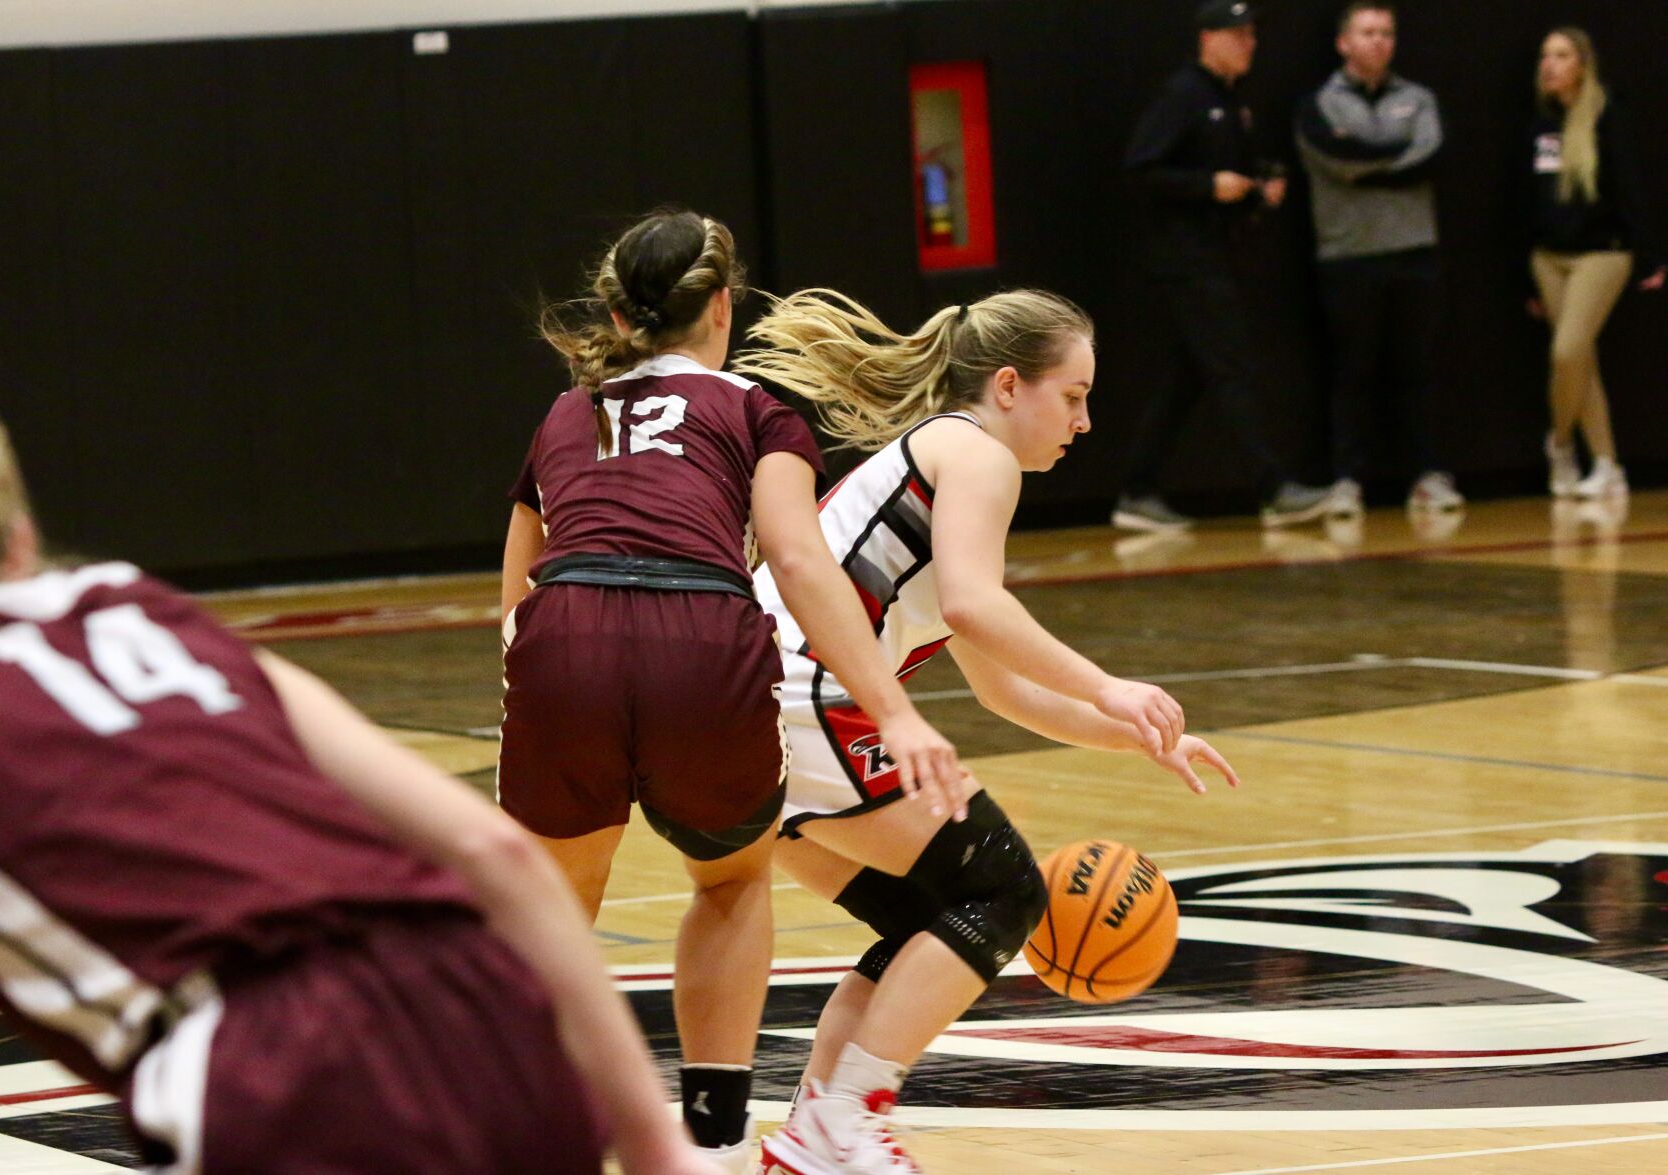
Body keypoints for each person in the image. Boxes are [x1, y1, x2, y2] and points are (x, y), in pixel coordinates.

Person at [0, 373, 723, 1175]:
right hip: (481, 1003)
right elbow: (494, 849)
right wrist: (652, 1144)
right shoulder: (137, 606)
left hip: (276, 1070)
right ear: (14, 525)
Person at [735, 288, 1241, 1174]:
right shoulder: (974, 452)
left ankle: (816, 1137)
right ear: (1008, 385)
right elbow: (975, 602)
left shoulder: (935, 457)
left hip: (747, 712)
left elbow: (1000, 688)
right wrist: (1108, 683)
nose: (1083, 421)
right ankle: (843, 1121)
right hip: (796, 695)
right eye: (1073, 395)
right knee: (1004, 891)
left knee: (927, 920)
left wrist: (1130, 733)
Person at [500, 210, 963, 1173]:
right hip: (702, 638)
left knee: (548, 912)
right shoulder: (756, 410)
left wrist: (550, 676)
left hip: (567, 637)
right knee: (729, 879)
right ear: (720, 306)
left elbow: (515, 594)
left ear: (622, 316)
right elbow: (797, 558)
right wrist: (894, 706)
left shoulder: (562, 414)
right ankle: (707, 1141)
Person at [1114, 0, 1332, 533]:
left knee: (1189, 377)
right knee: (1232, 368)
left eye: (1251, 33)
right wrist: (1208, 186)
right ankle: (1273, 489)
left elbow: (1227, 175)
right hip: (1188, 260)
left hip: (1219, 254)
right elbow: (1142, 170)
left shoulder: (1230, 101)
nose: (1249, 43)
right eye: (1238, 34)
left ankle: (1137, 490)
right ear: (1208, 38)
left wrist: (1258, 190)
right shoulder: (1185, 94)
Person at [1295, 1, 1463, 517]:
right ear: (1344, 42)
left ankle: (1428, 475)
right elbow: (1337, 159)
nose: (1379, 42)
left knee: (1415, 368)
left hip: (1414, 251)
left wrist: (1370, 163)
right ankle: (1346, 479)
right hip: (1349, 256)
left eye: (1387, 33)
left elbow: (1433, 156)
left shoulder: (1419, 98)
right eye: (1368, 32)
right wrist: (1392, 157)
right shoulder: (1319, 103)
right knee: (1353, 371)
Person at [1528, 27, 1664, 499]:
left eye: (1562, 55)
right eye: (1546, 56)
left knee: (1567, 352)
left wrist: (1651, 255)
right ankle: (1607, 465)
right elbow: (1527, 199)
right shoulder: (1540, 124)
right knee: (1581, 361)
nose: (1550, 64)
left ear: (1582, 66)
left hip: (1602, 253)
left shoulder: (1609, 117)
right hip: (1548, 258)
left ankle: (1560, 442)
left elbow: (1630, 188)